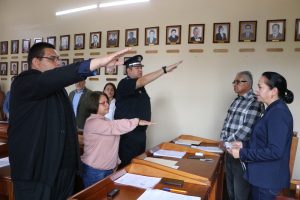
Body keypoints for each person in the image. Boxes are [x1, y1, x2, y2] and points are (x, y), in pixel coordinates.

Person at [8, 42, 130, 200]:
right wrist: (97, 62)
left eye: (59, 59)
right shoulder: (24, 82)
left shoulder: (57, 90)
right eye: (53, 59)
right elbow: (47, 81)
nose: (58, 63)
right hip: (37, 173)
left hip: (61, 171)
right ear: (36, 62)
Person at [229, 72, 294, 200]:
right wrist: (244, 144)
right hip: (262, 177)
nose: (256, 91)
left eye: (260, 87)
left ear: (273, 91)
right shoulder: (271, 109)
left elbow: (275, 151)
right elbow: (262, 141)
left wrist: (242, 154)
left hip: (267, 180)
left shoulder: (278, 113)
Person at [115, 55, 183, 169]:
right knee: (127, 167)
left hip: (139, 135)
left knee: (137, 165)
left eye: (141, 67)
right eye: (137, 67)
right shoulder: (124, 83)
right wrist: (164, 70)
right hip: (128, 136)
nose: (140, 69)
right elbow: (143, 81)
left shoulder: (140, 88)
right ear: (128, 70)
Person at [81, 91, 151, 188]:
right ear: (93, 105)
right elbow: (114, 126)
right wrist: (137, 121)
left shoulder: (106, 121)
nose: (107, 105)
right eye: (103, 103)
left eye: (107, 102)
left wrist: (116, 162)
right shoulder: (92, 122)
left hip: (109, 169)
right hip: (95, 171)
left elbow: (113, 144)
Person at [220, 71, 264, 200]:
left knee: (240, 192)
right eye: (234, 82)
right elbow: (226, 123)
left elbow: (247, 129)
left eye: (238, 81)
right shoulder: (236, 100)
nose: (235, 84)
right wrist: (223, 140)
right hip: (228, 150)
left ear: (248, 84)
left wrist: (227, 142)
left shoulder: (255, 102)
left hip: (241, 153)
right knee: (230, 191)